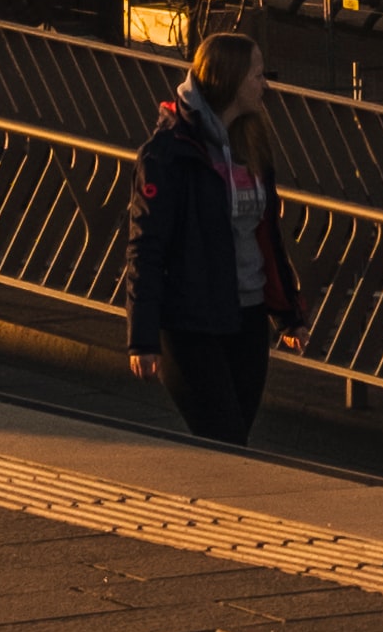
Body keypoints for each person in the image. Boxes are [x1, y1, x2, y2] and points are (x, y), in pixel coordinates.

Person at [127, 30, 299, 445]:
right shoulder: (167, 155)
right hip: (192, 322)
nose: (266, 84)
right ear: (230, 79)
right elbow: (145, 249)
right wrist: (142, 339)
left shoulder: (252, 143)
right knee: (225, 436)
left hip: (248, 317)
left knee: (233, 439)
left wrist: (290, 313)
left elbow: (267, 236)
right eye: (258, 75)